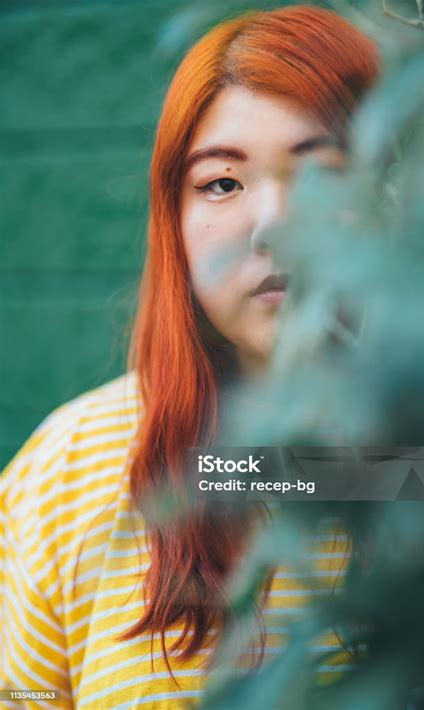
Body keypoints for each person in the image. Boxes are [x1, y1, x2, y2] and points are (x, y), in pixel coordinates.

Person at [0, 6, 379, 708]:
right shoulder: (66, 470)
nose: (274, 226)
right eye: (223, 183)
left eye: (324, 172)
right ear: (173, 219)